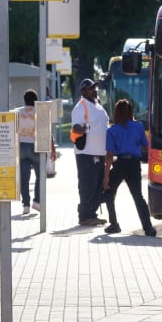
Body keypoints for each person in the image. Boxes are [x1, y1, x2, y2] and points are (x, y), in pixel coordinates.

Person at [102, 99, 156, 236]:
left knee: (109, 193)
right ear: (131, 111)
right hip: (134, 165)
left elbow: (109, 155)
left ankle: (114, 224)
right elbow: (146, 145)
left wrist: (106, 177)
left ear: (116, 113)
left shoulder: (112, 131)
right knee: (138, 197)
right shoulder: (138, 127)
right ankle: (148, 228)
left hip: (120, 164)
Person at [71, 78, 109, 226]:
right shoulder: (80, 107)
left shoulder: (98, 105)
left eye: (94, 87)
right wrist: (87, 129)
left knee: (97, 185)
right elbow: (75, 128)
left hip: (100, 152)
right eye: (91, 88)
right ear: (83, 91)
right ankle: (85, 216)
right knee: (88, 184)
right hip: (87, 153)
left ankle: (91, 214)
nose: (94, 90)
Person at [15, 89, 56, 215]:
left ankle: (25, 205)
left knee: (24, 177)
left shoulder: (17, 112)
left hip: (21, 147)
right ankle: (36, 201)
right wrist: (52, 149)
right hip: (36, 146)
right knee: (40, 175)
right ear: (36, 100)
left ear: (24, 100)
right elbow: (47, 131)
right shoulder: (40, 112)